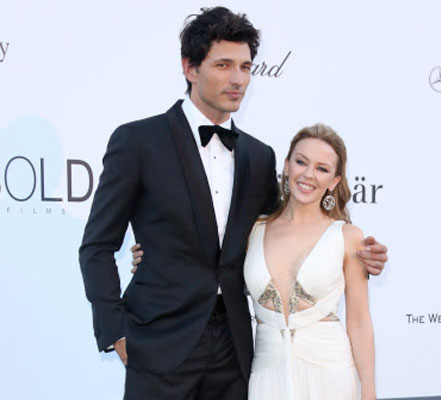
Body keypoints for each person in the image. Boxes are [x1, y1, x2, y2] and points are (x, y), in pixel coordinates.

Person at [80, 6, 386, 400]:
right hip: (159, 342)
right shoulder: (139, 142)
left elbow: (285, 229)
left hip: (236, 351)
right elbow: (97, 246)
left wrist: (358, 252)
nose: (238, 79)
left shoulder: (258, 157)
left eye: (245, 67)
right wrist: (116, 333)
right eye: (223, 65)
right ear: (190, 68)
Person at [244, 124, 376, 399]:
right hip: (267, 376)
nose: (308, 174)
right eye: (301, 162)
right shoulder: (253, 231)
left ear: (334, 181)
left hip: (330, 376)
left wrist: (369, 390)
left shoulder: (347, 237)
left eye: (322, 168)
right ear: (286, 166)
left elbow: (359, 321)